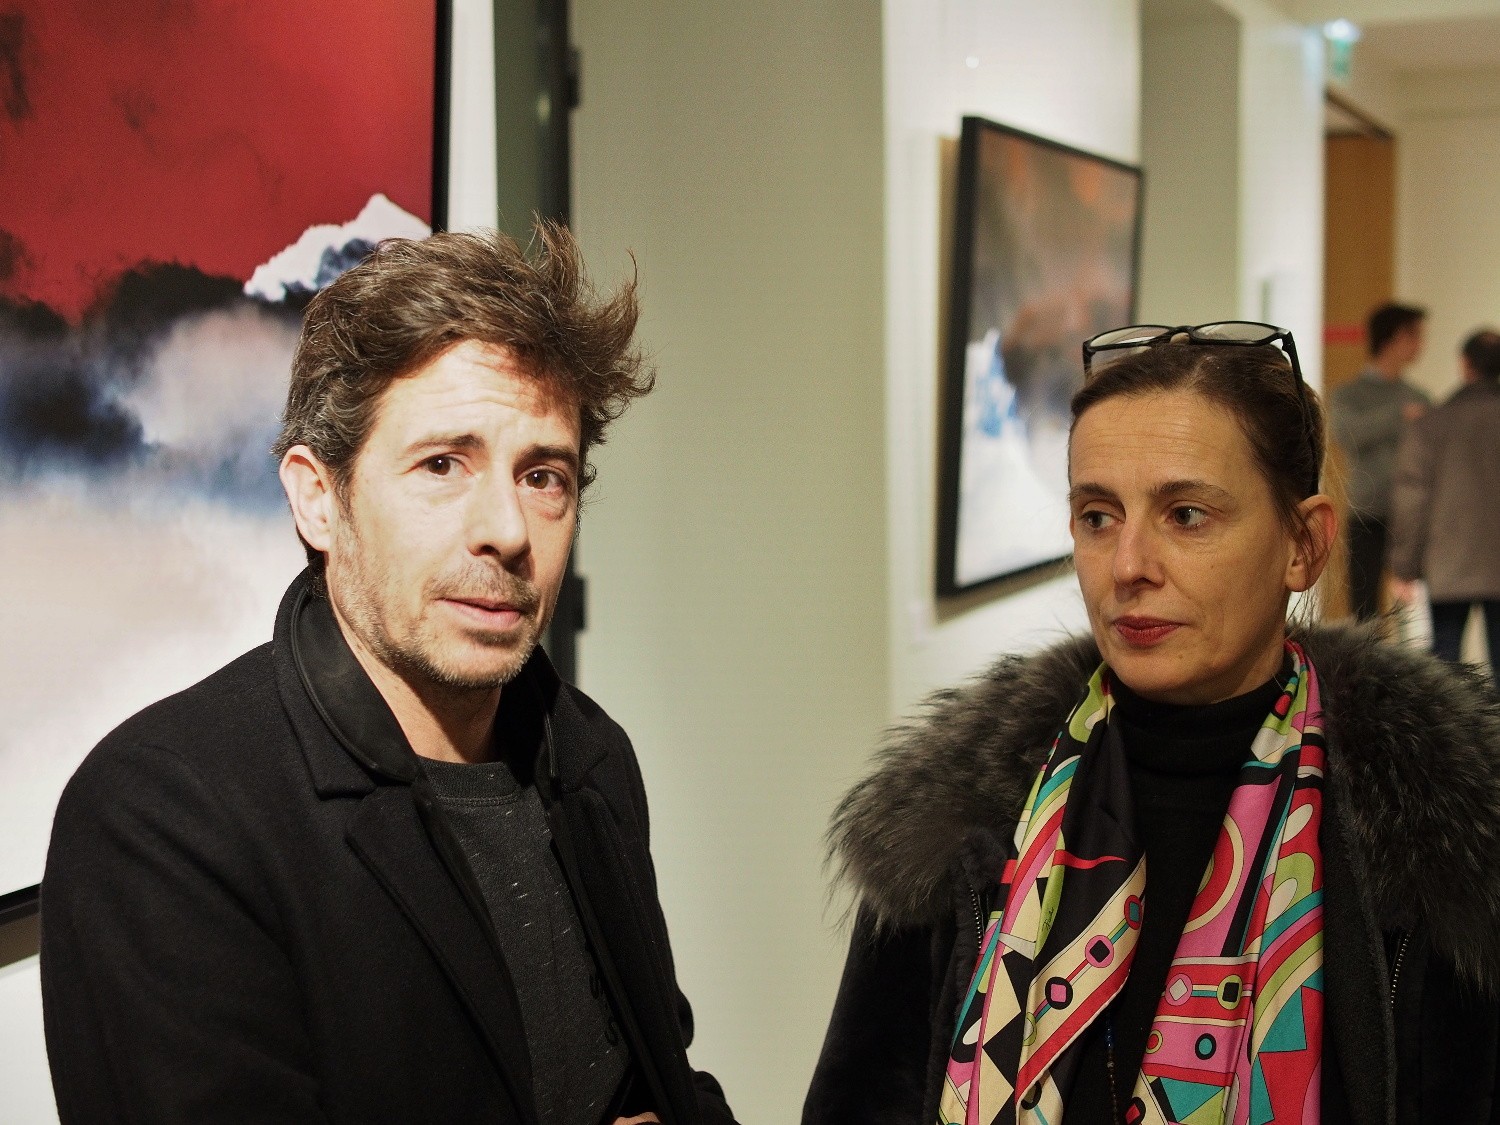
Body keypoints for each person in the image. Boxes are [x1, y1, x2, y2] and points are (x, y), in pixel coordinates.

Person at [41, 225, 738, 1125]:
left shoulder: (589, 752)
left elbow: (664, 1079)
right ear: (317, 497)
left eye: (544, 476)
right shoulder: (162, 821)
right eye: (443, 464)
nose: (508, 530)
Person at [804, 322, 1500, 1124]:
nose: (1129, 565)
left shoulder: (1445, 842)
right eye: (1098, 516)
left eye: (1187, 514)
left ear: (1303, 545)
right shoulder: (954, 826)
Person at [1390, 328, 1500, 670]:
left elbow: (1412, 499)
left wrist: (1404, 566)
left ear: (1464, 364)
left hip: (1448, 561)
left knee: (1446, 670)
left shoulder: (1431, 424)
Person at [1329, 302, 1430, 621]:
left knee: (1417, 610)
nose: (1421, 345)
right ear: (1395, 338)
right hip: (1367, 512)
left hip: (1411, 515)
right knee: (1364, 610)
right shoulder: (1348, 395)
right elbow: (1346, 435)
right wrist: (1399, 416)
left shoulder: (1419, 396)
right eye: (1415, 336)